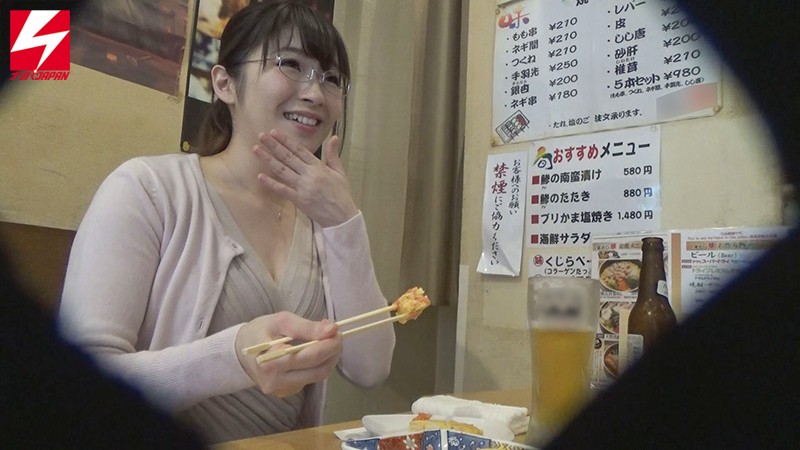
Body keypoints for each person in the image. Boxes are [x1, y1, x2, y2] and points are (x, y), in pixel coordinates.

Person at [57, 0, 395, 444]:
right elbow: (78, 384)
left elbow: (370, 368)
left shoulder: (322, 220)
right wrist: (234, 356)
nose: (316, 93)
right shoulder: (147, 190)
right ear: (224, 84)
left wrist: (344, 222)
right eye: (291, 64)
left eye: (331, 78)